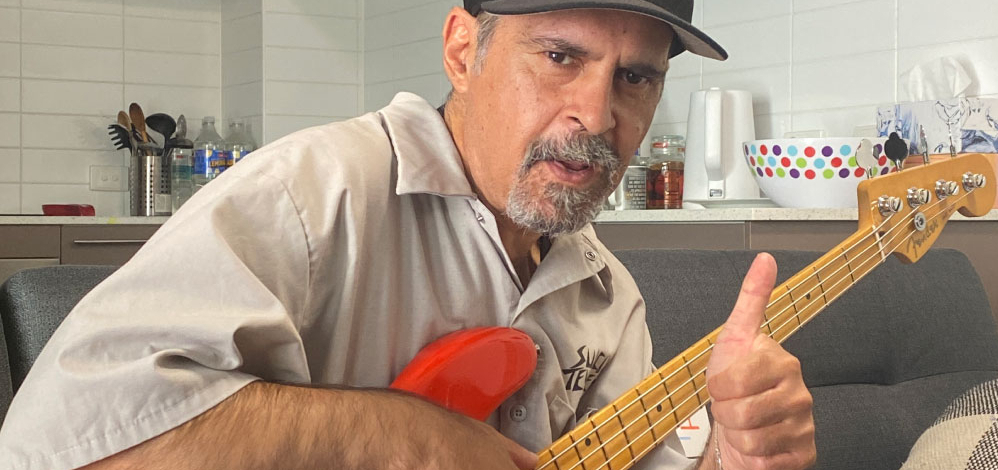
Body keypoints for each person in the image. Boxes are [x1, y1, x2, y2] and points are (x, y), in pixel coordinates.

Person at [0, 1, 816, 469]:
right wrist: (404, 434)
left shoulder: (608, 294)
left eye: (636, 78)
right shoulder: (311, 195)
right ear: (463, 50)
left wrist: (731, 458)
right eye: (560, 56)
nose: (598, 116)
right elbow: (55, 439)